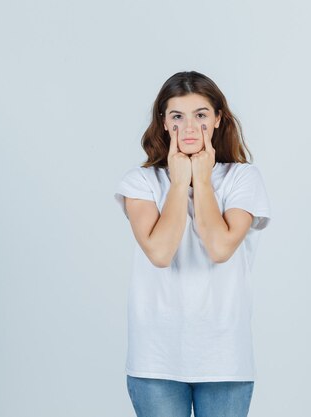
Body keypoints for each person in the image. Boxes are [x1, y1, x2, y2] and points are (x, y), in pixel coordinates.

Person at [113, 71, 271, 417]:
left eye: (200, 115)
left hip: (225, 359)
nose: (189, 127)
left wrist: (202, 179)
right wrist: (178, 180)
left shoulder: (243, 178)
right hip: (155, 360)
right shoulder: (140, 182)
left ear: (217, 119)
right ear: (163, 122)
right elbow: (160, 251)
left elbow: (220, 247)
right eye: (177, 116)